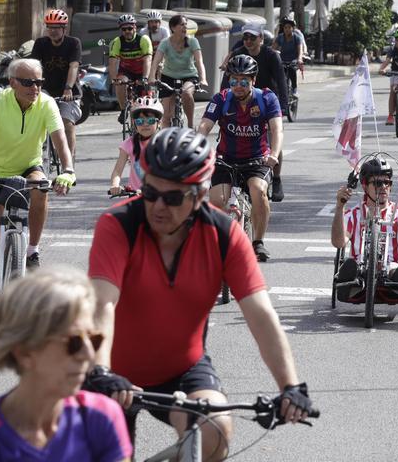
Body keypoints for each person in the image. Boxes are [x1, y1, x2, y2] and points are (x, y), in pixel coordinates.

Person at [84, 128, 313, 460]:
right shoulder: (118, 224)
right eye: (150, 191)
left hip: (182, 368)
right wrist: (99, 371)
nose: (159, 206)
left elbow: (261, 316)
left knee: (214, 430)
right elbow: (102, 304)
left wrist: (289, 387)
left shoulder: (224, 235)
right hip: (109, 370)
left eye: (173, 197)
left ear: (200, 195)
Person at [0, 267, 131, 462]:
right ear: (24, 352)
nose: (89, 355)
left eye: (94, 340)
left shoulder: (101, 416)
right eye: (73, 343)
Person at [0, 58, 77, 328]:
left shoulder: (47, 104)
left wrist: (68, 170)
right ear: (12, 83)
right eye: (28, 82)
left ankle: (32, 251)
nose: (34, 87)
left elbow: (60, 140)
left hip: (29, 167)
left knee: (42, 185)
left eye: (39, 82)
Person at [197, 54, 282, 262]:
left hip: (257, 159)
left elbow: (276, 129)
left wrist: (273, 154)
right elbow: (204, 126)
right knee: (217, 201)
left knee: (258, 191)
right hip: (226, 158)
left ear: (253, 80)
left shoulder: (267, 98)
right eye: (233, 80)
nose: (238, 86)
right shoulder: (221, 99)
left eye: (244, 81)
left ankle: (258, 242)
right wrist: (194, 148)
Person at [332, 155, 398, 301]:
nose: (383, 187)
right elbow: (338, 243)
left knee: (396, 267)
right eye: (377, 183)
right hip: (360, 273)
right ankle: (348, 281)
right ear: (364, 185)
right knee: (354, 267)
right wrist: (339, 207)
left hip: (391, 273)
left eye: (387, 182)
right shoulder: (353, 214)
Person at [222, 24, 289, 199]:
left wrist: (283, 106)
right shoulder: (237, 54)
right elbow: (225, 82)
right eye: (246, 38)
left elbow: (281, 81)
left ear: (261, 38)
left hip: (266, 102)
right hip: (239, 102)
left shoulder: (271, 55)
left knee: (273, 138)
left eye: (253, 38)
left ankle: (276, 177)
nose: (249, 41)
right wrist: (223, 102)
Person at [30, 9, 83, 157]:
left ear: (64, 29)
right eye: (50, 27)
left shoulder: (73, 43)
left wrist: (68, 88)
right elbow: (34, 66)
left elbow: (74, 66)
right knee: (35, 120)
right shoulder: (41, 43)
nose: (52, 31)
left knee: (67, 123)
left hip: (69, 93)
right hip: (46, 90)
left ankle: (69, 165)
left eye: (56, 28)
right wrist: (34, 87)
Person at [149, 14, 206, 128]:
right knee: (166, 116)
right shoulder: (165, 42)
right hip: (168, 76)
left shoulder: (192, 41)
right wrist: (151, 77)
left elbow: (199, 61)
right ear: (173, 28)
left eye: (186, 25)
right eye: (182, 25)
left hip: (189, 76)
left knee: (186, 92)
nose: (185, 27)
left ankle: (190, 124)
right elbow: (156, 61)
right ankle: (165, 141)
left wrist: (203, 78)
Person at [107, 97, 163, 196]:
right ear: (134, 124)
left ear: (159, 123)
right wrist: (115, 185)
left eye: (150, 121)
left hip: (158, 196)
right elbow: (117, 170)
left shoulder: (164, 143)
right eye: (140, 121)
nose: (145, 124)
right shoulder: (129, 143)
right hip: (135, 196)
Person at [106, 14, 152, 115]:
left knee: (146, 101)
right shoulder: (117, 41)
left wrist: (145, 77)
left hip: (142, 71)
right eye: (124, 29)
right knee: (120, 83)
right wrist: (114, 79)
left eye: (130, 28)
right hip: (126, 71)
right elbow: (112, 62)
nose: (127, 31)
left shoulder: (143, 39)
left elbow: (147, 60)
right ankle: (123, 110)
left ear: (135, 27)